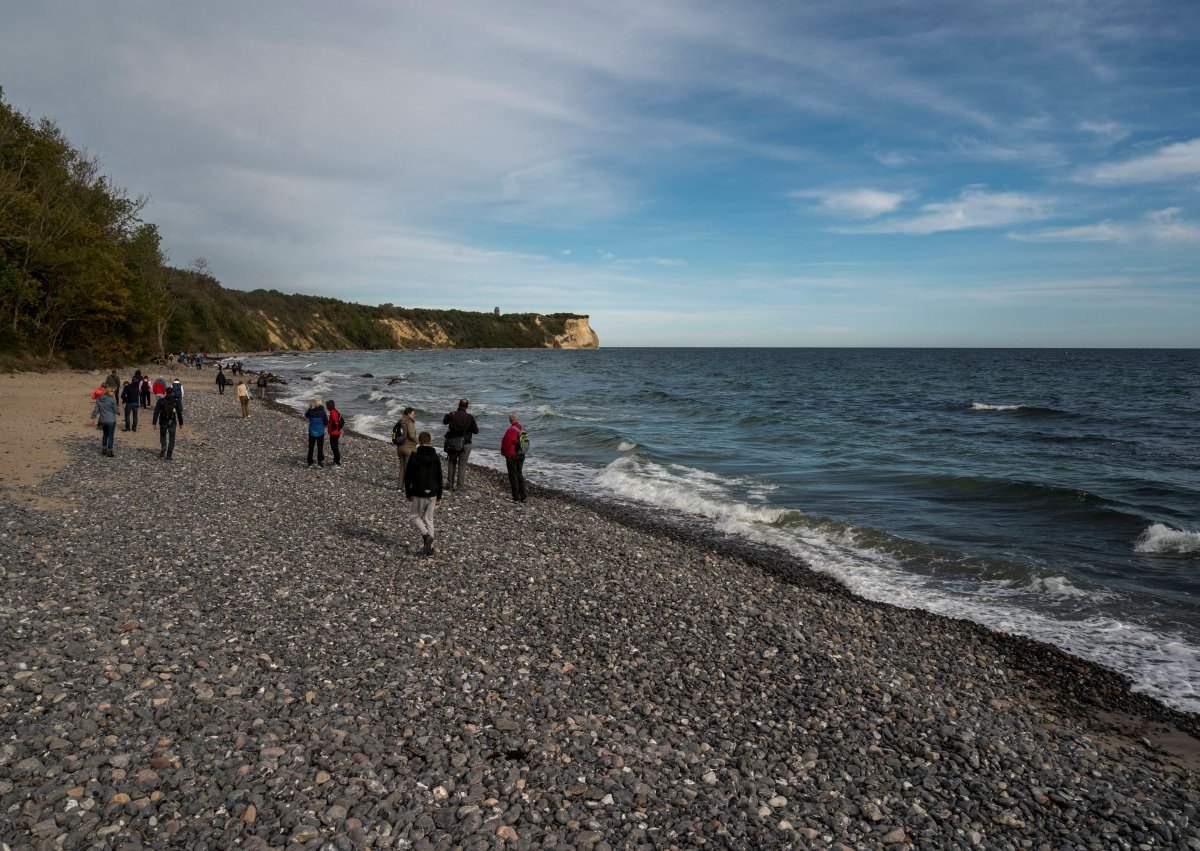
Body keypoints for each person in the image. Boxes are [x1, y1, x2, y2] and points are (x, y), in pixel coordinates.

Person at [404, 431, 443, 556]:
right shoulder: (436, 457)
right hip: (432, 491)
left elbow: (408, 476)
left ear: (419, 442)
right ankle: (430, 548)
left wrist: (408, 493)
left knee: (414, 516)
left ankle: (426, 536)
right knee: (429, 519)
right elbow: (439, 477)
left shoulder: (414, 456)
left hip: (419, 491)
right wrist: (439, 495)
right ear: (430, 442)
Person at [442, 398, 479, 492]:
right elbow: (476, 431)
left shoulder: (452, 414)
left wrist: (448, 416)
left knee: (451, 462)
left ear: (459, 405)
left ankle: (449, 484)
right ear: (467, 406)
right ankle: (460, 487)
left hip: (453, 443)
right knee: (462, 465)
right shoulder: (469, 417)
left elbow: (444, 421)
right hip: (465, 443)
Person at [500, 410, 528, 503]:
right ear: (517, 418)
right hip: (521, 454)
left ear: (509, 420)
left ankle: (516, 497)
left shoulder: (510, 430)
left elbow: (505, 444)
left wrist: (503, 452)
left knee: (513, 476)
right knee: (519, 474)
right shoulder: (522, 428)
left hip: (512, 455)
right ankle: (523, 496)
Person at [152, 389, 183, 460]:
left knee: (163, 435)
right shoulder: (175, 401)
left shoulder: (161, 401)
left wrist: (154, 422)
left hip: (163, 421)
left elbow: (156, 412)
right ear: (172, 393)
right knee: (172, 438)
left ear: (165, 392)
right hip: (172, 422)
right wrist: (181, 423)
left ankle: (163, 446)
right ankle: (169, 455)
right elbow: (179, 413)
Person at [392, 406, 418, 489]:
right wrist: (419, 442)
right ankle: (408, 488)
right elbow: (411, 435)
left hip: (400, 448)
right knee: (409, 469)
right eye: (413, 414)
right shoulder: (409, 422)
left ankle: (399, 488)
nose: (414, 415)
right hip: (409, 448)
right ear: (408, 414)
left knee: (402, 468)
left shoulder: (400, 421)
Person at [89, 388, 119, 457]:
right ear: (108, 392)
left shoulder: (99, 399)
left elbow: (96, 410)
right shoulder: (112, 399)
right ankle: (110, 451)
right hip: (111, 420)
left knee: (105, 435)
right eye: (112, 391)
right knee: (110, 436)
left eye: (114, 392)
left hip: (103, 420)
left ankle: (104, 449)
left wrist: (93, 418)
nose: (113, 393)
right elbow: (115, 410)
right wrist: (118, 412)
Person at [305, 397, 328, 467]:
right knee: (320, 447)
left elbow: (306, 415)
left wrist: (310, 408)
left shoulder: (311, 412)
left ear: (314, 404)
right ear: (321, 404)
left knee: (311, 447)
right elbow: (326, 423)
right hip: (320, 432)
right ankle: (320, 461)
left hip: (312, 432)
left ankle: (310, 461)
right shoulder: (323, 412)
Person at [327, 400, 345, 467]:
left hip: (334, 433)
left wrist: (336, 429)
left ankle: (337, 462)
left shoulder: (332, 412)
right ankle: (335, 461)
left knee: (334, 447)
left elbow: (336, 422)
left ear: (328, 406)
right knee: (334, 447)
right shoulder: (335, 411)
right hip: (335, 432)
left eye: (327, 406)